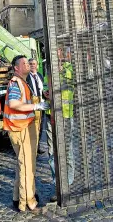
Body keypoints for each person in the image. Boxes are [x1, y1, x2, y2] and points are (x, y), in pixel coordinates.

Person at [3, 55, 49, 213]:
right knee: (27, 165)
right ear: (16, 68)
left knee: (22, 164)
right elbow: (14, 104)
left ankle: (17, 198)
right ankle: (28, 201)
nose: (27, 65)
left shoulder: (24, 82)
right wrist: (36, 107)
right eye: (23, 63)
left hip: (22, 126)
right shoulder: (16, 83)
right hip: (21, 128)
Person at [43, 57, 76, 202]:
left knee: (67, 150)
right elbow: (45, 87)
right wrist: (45, 93)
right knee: (52, 151)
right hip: (51, 116)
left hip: (66, 115)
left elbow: (71, 84)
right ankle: (58, 185)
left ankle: (67, 184)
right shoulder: (47, 71)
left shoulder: (69, 69)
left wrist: (61, 71)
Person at [26, 58, 45, 154]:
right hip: (32, 104)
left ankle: (37, 146)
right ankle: (32, 147)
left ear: (37, 65)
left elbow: (43, 88)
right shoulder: (26, 77)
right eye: (30, 64)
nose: (32, 65)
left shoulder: (40, 76)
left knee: (40, 126)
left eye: (34, 64)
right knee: (33, 126)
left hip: (41, 103)